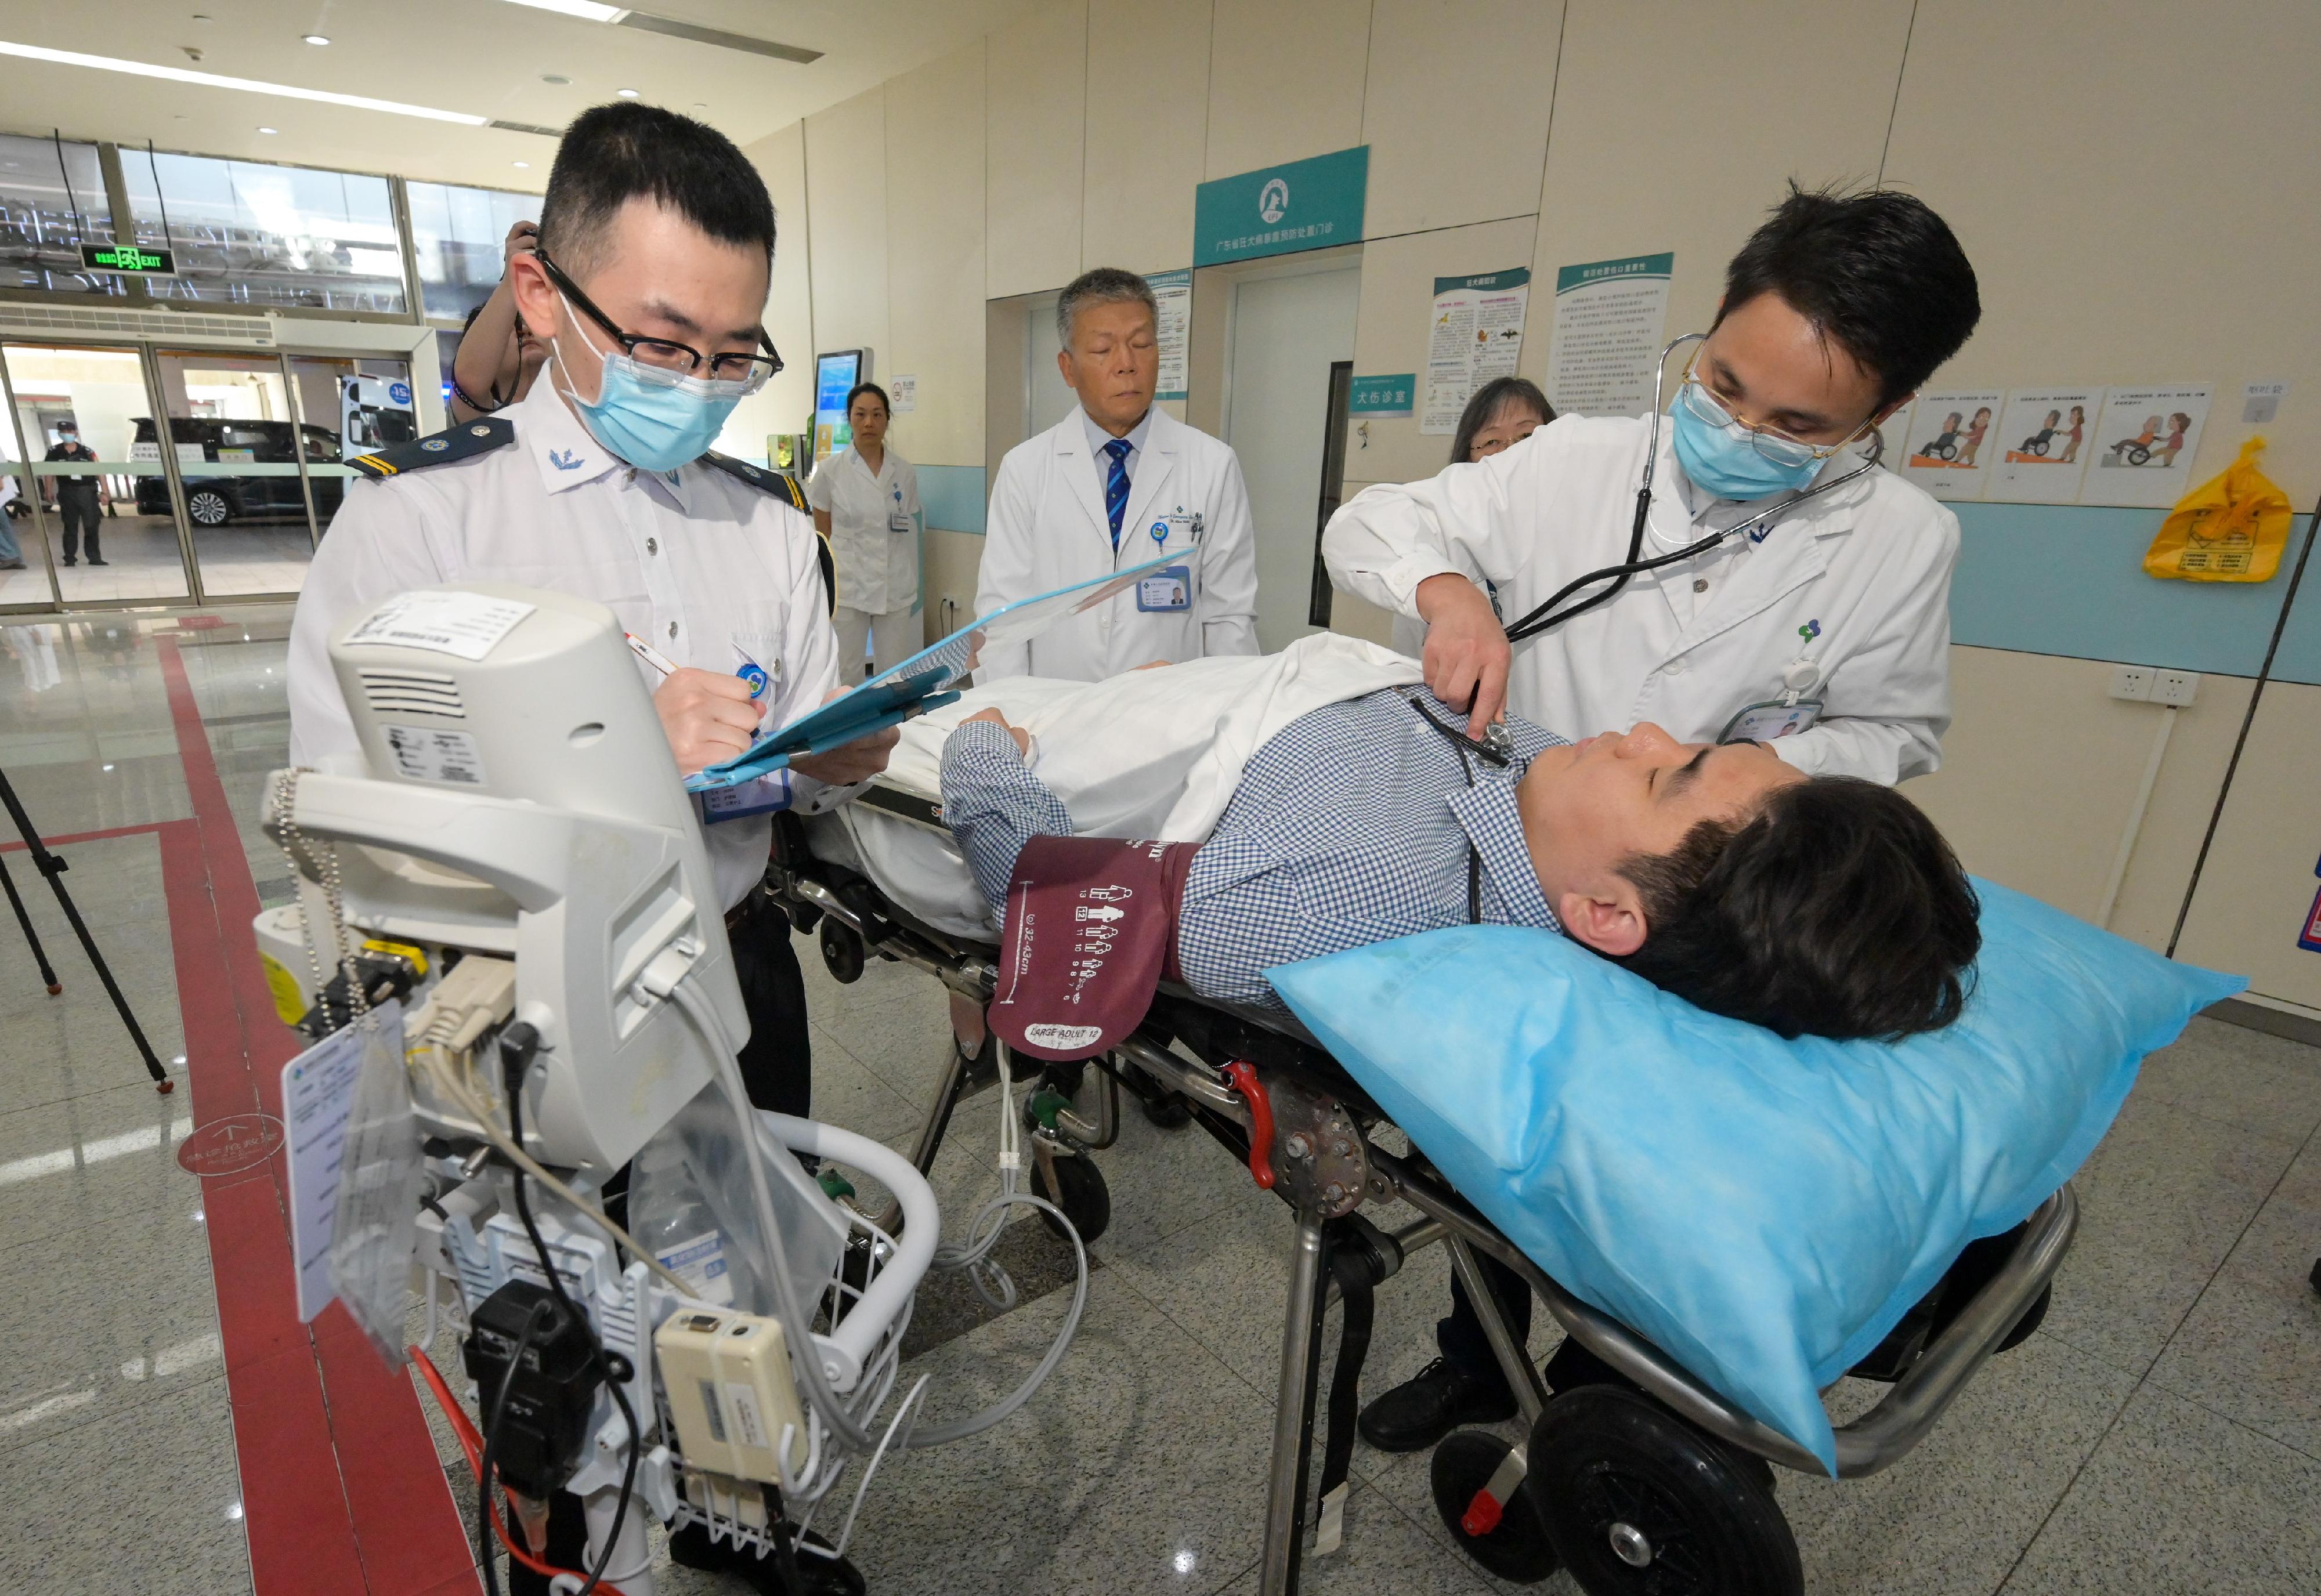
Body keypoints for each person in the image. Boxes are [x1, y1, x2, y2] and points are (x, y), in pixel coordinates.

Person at [288, 102, 896, 1593]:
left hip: (732, 974)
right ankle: (579, 1558)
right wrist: (621, 754)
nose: (696, 386)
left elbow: (801, 752)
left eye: (732, 352)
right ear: (544, 289)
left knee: (739, 1302)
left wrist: (839, 751)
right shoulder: (421, 522)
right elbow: (332, 806)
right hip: (527, 1012)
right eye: (663, 340)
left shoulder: (762, 527)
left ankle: (731, 1516)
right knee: (571, 1347)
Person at [1324, 183, 1982, 1451]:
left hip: (1697, 894)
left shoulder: (1902, 542)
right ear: (1714, 320)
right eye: (1723, 383)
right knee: (1483, 1153)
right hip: (1520, 870)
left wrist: (1733, 771)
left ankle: (1607, 1392)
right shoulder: (1573, 462)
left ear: (1882, 415)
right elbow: (1370, 519)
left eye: (1793, 423)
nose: (1736, 426)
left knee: (1634, 1177)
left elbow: (1894, 731)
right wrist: (1448, 589)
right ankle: (1478, 1355)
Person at [941, 690, 1978, 1041]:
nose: (1648, 729)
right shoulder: (1540, 783)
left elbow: (1071, 905)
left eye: (1672, 772)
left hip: (1043, 740)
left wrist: (983, 754)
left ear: (1608, 914)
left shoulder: (1368, 885)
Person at [975, 267, 1259, 681]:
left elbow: (1229, 616)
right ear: (1068, 368)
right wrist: (1011, 721)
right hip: (1054, 716)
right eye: (1103, 349)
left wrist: (1231, 723)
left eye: (1141, 344)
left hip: (1170, 717)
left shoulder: (1213, 464)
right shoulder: (1026, 469)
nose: (1127, 364)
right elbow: (1003, 618)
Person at [1393, 377, 1554, 657]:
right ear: (1467, 458)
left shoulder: (1578, 528)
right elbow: (1410, 653)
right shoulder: (1441, 534)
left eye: (1527, 436)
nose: (1511, 451)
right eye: (1492, 441)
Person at [809, 381, 922, 679]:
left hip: (894, 582)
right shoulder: (830, 471)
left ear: (887, 419)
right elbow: (823, 535)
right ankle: (852, 725)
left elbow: (907, 525)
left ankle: (890, 727)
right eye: (860, 414)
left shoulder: (904, 472)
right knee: (847, 670)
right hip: (849, 585)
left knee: (894, 672)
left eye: (877, 414)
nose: (869, 422)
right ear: (849, 419)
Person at [448, 219, 551, 424]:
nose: (525, 330)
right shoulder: (481, 419)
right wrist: (514, 278)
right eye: (514, 324)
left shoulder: (581, 409)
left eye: (531, 320)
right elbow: (469, 380)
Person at [44, 422, 109, 567]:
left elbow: (100, 472)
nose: (67, 433)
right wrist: (48, 490)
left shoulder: (87, 452)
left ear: (76, 433)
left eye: (70, 431)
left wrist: (105, 492)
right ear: (60, 433)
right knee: (70, 525)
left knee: (92, 525)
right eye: (64, 431)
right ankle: (70, 558)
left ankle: (94, 557)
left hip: (87, 491)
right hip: (67, 491)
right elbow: (48, 472)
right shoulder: (54, 452)